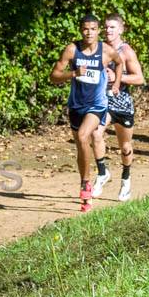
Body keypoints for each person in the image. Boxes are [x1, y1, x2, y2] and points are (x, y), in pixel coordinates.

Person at [50, 14, 121, 212]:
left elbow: (120, 61)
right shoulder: (72, 50)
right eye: (85, 29)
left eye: (93, 29)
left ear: (98, 31)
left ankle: (86, 185)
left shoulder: (106, 51)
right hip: (76, 106)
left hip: (97, 105)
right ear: (80, 30)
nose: (89, 33)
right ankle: (85, 181)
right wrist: (73, 73)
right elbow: (54, 76)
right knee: (80, 146)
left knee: (83, 136)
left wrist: (115, 83)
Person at [92, 14, 145, 201]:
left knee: (125, 146)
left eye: (112, 27)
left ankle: (126, 180)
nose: (108, 31)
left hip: (121, 102)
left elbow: (139, 78)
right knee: (95, 133)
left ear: (121, 30)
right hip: (102, 102)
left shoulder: (126, 51)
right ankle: (102, 172)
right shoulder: (98, 49)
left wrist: (117, 77)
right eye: (106, 27)